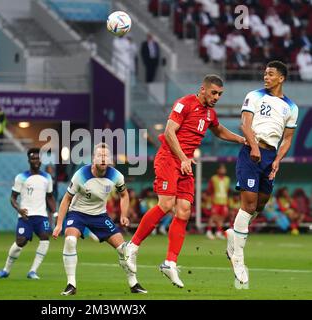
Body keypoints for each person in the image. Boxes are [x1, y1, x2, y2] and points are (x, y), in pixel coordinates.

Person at [123, 75, 246, 288]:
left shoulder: (210, 114)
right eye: (214, 93)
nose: (217, 97)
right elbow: (170, 132)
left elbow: (218, 130)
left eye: (220, 94)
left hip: (184, 163)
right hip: (170, 158)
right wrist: (183, 159)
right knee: (167, 204)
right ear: (203, 89)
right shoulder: (184, 103)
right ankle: (131, 247)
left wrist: (241, 139)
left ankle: (170, 262)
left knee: (184, 210)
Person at [225, 61, 299, 288]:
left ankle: (233, 236)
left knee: (259, 205)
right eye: (265, 73)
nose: (266, 77)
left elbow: (287, 139)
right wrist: (254, 146)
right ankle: (238, 258)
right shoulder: (255, 96)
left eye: (270, 74)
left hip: (270, 157)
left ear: (281, 78)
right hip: (251, 152)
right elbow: (245, 124)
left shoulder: (291, 107)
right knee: (247, 205)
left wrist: (277, 160)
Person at [52, 143, 147, 295]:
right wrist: (58, 225)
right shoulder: (80, 175)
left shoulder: (116, 176)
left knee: (124, 249)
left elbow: (124, 195)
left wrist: (124, 214)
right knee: (70, 241)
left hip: (100, 215)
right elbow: (66, 199)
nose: (103, 158)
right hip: (78, 213)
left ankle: (134, 284)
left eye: (106, 156)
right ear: (93, 159)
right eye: (99, 155)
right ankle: (71, 284)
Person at [0, 148, 56, 280]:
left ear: (40, 160)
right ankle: (5, 270)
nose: (35, 161)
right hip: (25, 216)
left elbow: (49, 197)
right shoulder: (21, 177)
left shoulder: (47, 177)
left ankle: (33, 271)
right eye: (33, 159)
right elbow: (13, 198)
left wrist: (55, 213)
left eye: (37, 158)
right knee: (21, 242)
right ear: (29, 160)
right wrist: (19, 209)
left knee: (45, 238)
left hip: (41, 216)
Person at [205, 164, 231, 240]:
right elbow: (210, 190)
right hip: (215, 201)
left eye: (224, 169)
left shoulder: (227, 179)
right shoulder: (214, 178)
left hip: (224, 201)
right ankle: (209, 231)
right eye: (221, 169)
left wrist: (228, 201)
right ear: (218, 170)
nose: (223, 170)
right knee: (213, 216)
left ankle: (218, 232)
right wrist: (209, 200)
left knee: (222, 218)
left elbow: (227, 191)